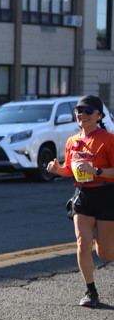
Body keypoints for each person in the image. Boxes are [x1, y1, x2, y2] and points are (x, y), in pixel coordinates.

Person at [46, 95, 114, 308]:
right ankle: (90, 291)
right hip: (83, 196)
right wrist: (58, 170)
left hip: (107, 196)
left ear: (99, 115)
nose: (82, 114)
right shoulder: (72, 141)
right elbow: (70, 170)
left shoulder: (108, 139)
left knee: (105, 253)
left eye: (88, 111)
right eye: (79, 110)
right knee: (83, 244)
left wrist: (97, 171)